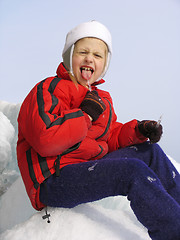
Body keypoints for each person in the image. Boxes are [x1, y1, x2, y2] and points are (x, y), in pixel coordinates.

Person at [17, 21, 180, 240]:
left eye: (98, 55)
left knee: (149, 152)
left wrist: (139, 130)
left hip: (86, 168)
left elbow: (110, 137)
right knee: (131, 171)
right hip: (53, 178)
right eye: (82, 52)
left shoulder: (100, 98)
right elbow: (46, 139)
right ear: (68, 57)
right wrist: (85, 115)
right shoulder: (48, 89)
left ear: (104, 65)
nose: (89, 58)